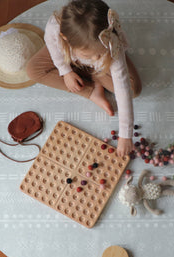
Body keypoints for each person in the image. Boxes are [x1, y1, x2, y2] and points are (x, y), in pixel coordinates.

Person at [26, 0, 142, 157]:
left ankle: (95, 76)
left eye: (99, 53)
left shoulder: (111, 44)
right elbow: (54, 51)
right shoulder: (55, 30)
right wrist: (65, 71)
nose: (95, 58)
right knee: (33, 69)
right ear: (65, 38)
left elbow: (122, 87)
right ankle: (92, 90)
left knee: (134, 89)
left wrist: (125, 134)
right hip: (67, 56)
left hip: (101, 65)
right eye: (89, 55)